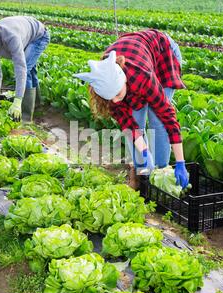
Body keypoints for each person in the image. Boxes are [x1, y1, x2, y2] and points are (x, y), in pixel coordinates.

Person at [74, 29, 189, 189]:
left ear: (124, 81)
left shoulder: (143, 78)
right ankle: (143, 175)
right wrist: (143, 152)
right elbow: (130, 126)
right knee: (136, 125)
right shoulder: (106, 85)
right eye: (110, 97)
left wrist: (180, 162)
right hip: (136, 53)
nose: (115, 100)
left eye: (118, 94)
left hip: (163, 53)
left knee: (158, 122)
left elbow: (168, 118)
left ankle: (162, 173)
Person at [0, 16, 50, 122]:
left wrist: (17, 100)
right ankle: (37, 104)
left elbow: (20, 68)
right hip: (25, 33)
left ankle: (24, 117)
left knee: (27, 70)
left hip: (39, 36)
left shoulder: (11, 37)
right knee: (30, 68)